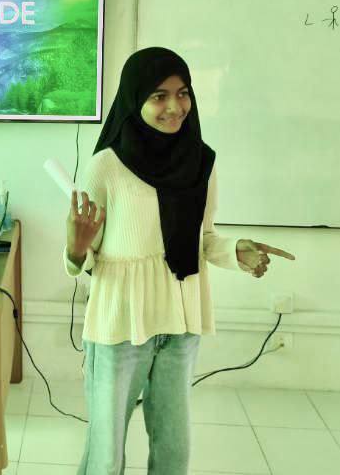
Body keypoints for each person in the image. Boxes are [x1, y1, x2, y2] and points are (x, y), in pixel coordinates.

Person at [64, 47, 295, 475]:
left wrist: (236, 251)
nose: (175, 107)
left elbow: (201, 238)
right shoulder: (106, 167)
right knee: (105, 450)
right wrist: (77, 249)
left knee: (173, 448)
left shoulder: (201, 162)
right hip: (121, 324)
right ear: (135, 99)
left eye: (183, 93)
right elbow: (86, 262)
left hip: (181, 322)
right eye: (159, 96)